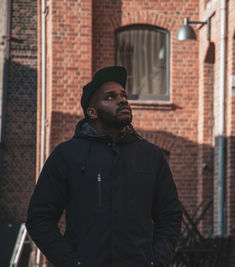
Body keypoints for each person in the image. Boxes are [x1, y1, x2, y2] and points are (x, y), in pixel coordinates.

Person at [26, 66, 182, 267]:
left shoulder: (150, 155)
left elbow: (170, 215)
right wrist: (72, 262)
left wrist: (157, 261)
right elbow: (39, 219)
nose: (122, 100)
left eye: (123, 95)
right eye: (110, 97)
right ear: (92, 112)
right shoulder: (67, 155)